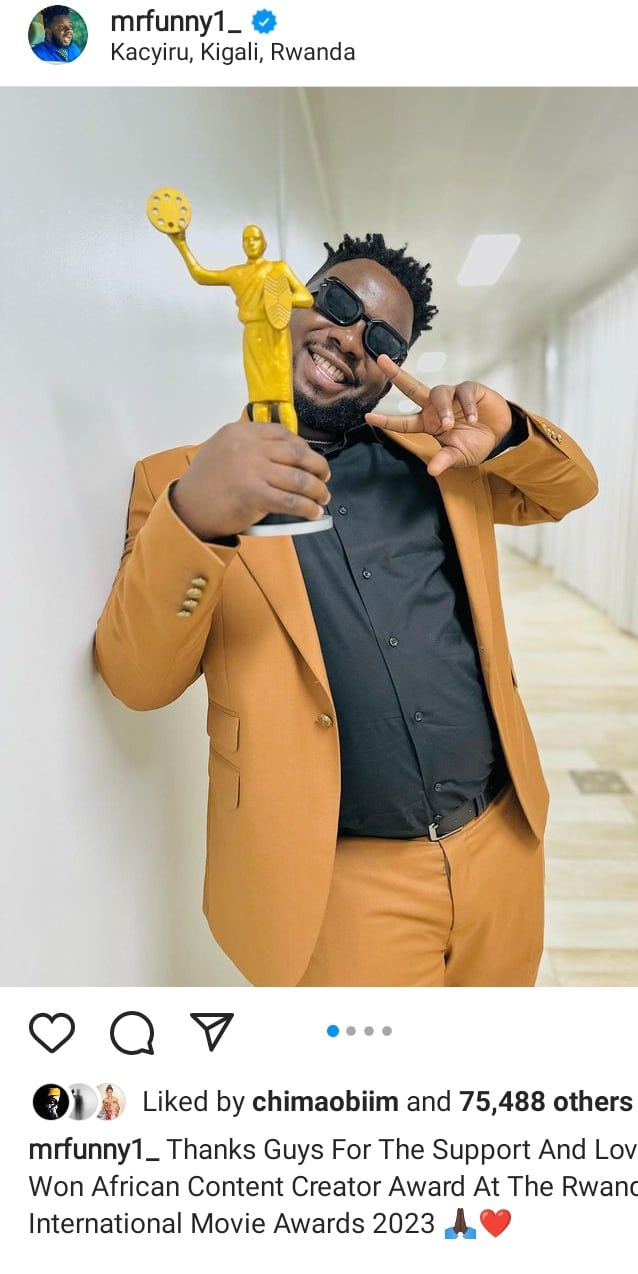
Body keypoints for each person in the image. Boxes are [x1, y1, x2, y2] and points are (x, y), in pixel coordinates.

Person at [95, 232, 598, 988]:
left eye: (384, 340)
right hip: (340, 884)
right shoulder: (179, 483)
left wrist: (506, 433)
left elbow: (570, 490)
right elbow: (138, 679)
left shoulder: (440, 464)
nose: (352, 340)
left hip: (502, 841)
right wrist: (197, 517)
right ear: (292, 302)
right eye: (336, 303)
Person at [171, 223, 314, 432]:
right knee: (260, 400)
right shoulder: (237, 273)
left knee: (284, 399)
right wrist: (181, 244)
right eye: (246, 239)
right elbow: (201, 275)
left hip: (276, 334)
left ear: (264, 243)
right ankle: (263, 445)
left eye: (255, 238)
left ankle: (292, 445)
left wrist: (279, 301)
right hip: (253, 335)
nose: (251, 243)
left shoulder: (278, 268)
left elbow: (306, 297)